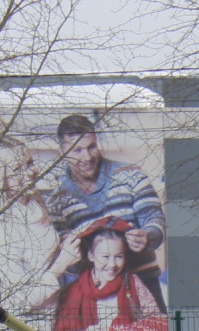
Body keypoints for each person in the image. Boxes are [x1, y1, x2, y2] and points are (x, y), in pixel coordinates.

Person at [45, 114, 167, 311]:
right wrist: (77, 253)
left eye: (91, 147)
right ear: (62, 152)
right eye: (77, 150)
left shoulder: (131, 175)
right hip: (95, 298)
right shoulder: (56, 202)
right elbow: (68, 263)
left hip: (145, 284)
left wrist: (148, 236)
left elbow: (156, 220)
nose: (87, 157)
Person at [53, 223, 169, 331]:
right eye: (105, 257)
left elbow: (157, 320)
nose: (112, 264)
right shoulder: (74, 291)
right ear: (91, 256)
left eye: (119, 257)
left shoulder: (133, 282)